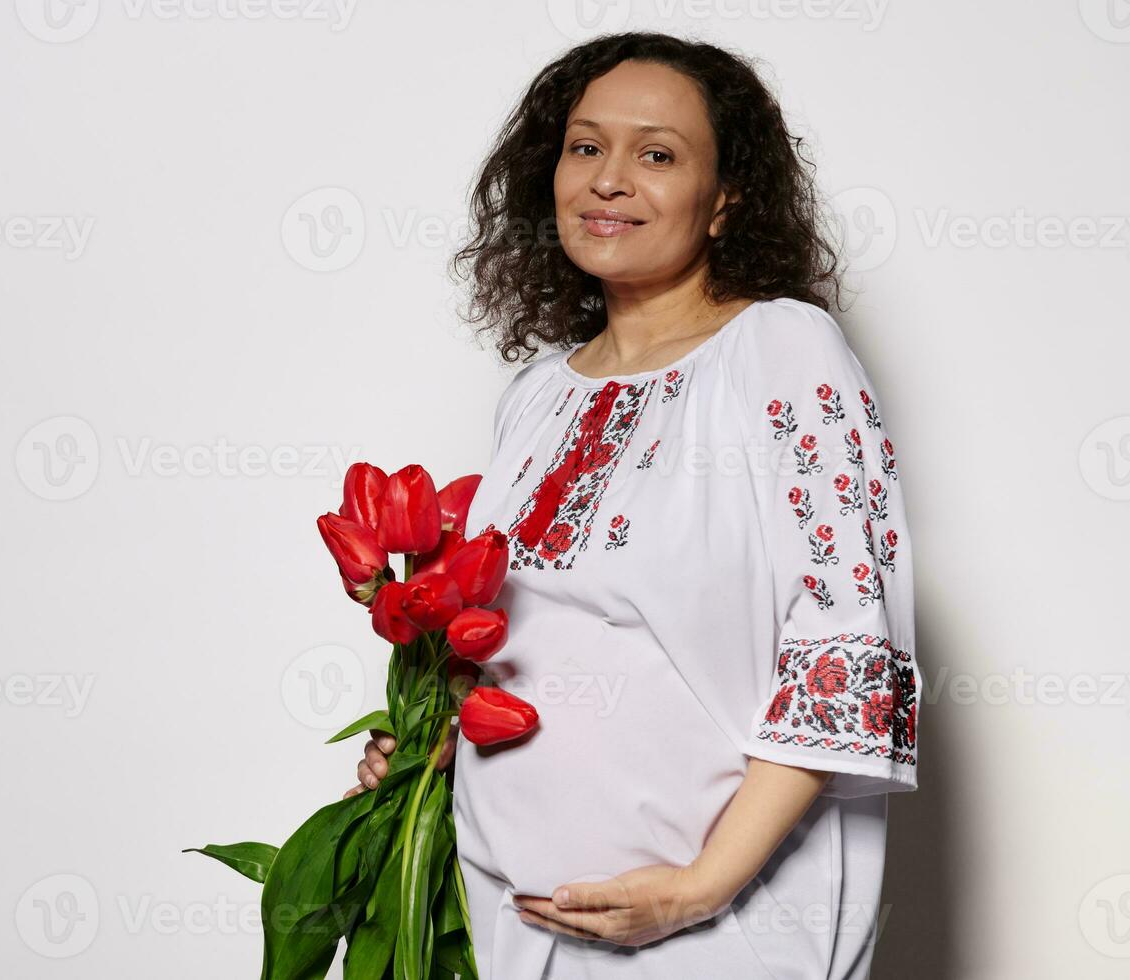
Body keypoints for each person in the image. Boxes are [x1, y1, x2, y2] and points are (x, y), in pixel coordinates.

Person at [345, 32, 920, 979]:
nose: (608, 180)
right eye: (584, 148)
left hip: (716, 923)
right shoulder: (536, 395)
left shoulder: (778, 349)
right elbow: (531, 642)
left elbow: (845, 642)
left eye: (656, 154)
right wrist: (427, 744)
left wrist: (702, 885)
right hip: (515, 915)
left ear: (726, 196)